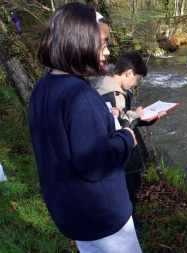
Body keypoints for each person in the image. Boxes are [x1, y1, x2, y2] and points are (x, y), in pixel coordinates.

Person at [28, 3, 142, 252]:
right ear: (78, 41)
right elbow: (94, 163)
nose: (108, 52)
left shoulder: (43, 88)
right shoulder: (81, 96)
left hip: (69, 211)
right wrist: (124, 137)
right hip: (102, 216)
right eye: (102, 43)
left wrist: (101, 117)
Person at [97, 51, 166, 233]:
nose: (136, 83)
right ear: (128, 72)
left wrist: (150, 117)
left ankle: (132, 221)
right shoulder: (111, 96)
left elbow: (127, 119)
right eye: (136, 79)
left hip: (128, 154)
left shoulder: (119, 91)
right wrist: (136, 114)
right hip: (124, 158)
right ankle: (129, 228)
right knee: (126, 192)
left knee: (131, 190)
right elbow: (118, 128)